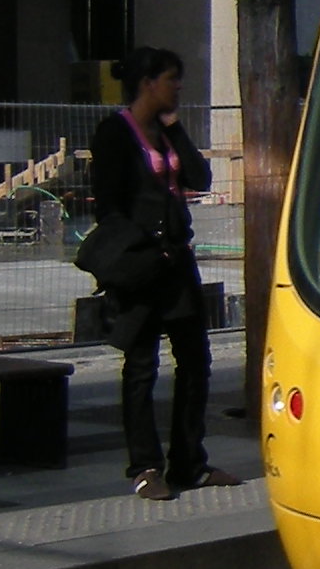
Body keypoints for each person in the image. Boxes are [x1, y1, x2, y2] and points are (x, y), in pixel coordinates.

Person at [89, 48, 236, 499]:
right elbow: (109, 202)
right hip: (140, 264)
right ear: (148, 82)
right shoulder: (115, 132)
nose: (177, 88)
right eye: (171, 79)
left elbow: (200, 177)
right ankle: (146, 467)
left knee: (195, 361)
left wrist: (174, 126)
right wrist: (136, 249)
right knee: (141, 366)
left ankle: (190, 461)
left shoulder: (166, 131)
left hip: (177, 262)